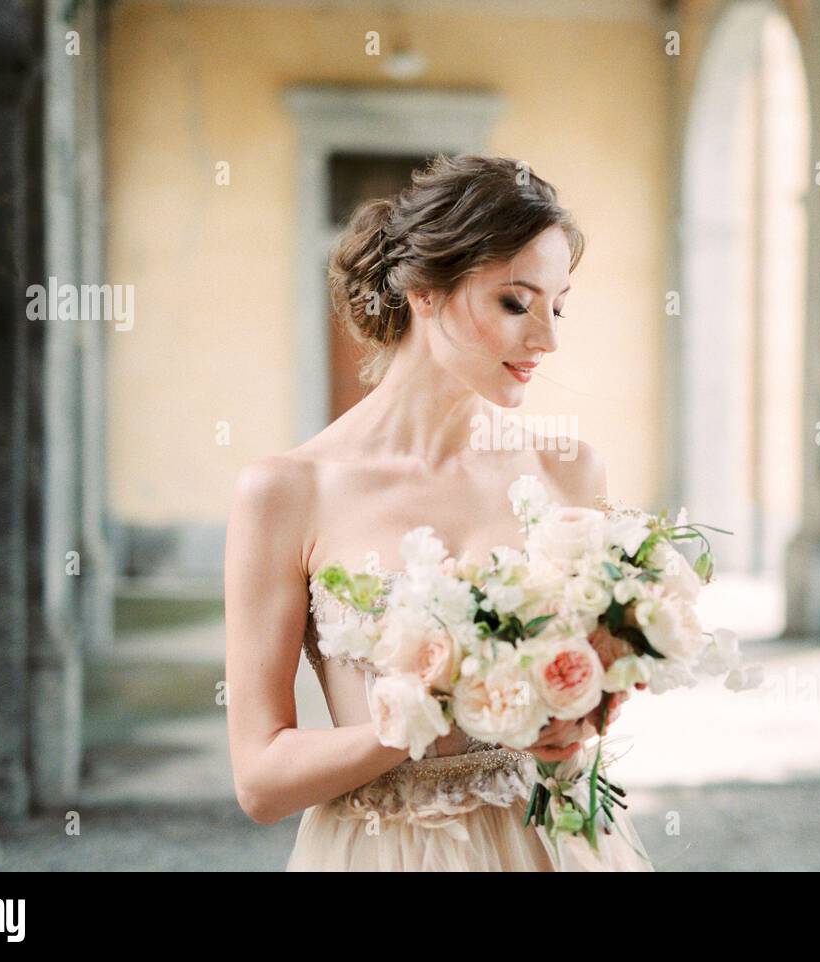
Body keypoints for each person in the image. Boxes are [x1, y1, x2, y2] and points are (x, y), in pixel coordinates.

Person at [224, 154, 653, 870]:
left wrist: (583, 710)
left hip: (554, 846)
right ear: (424, 291)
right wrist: (426, 714)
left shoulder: (568, 470)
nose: (547, 339)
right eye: (516, 302)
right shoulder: (287, 492)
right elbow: (261, 781)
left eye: (558, 305)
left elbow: (590, 692)